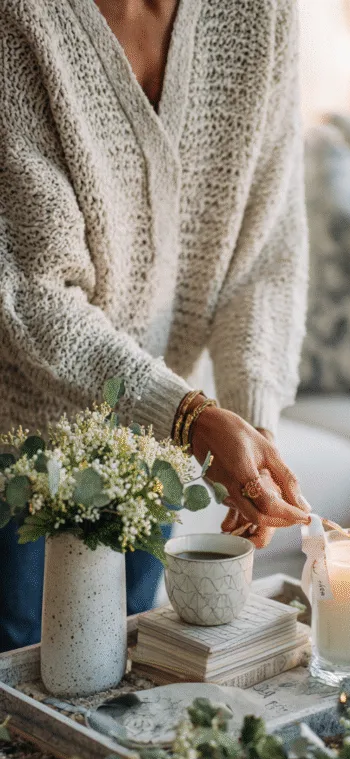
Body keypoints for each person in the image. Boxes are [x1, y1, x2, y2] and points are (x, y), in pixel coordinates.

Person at [0, 0, 311, 652]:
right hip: (20, 443)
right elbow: (30, 291)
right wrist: (192, 417)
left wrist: (252, 433)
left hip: (152, 455)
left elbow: (265, 255)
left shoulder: (263, 16)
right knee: (21, 688)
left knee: (122, 675)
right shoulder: (21, 17)